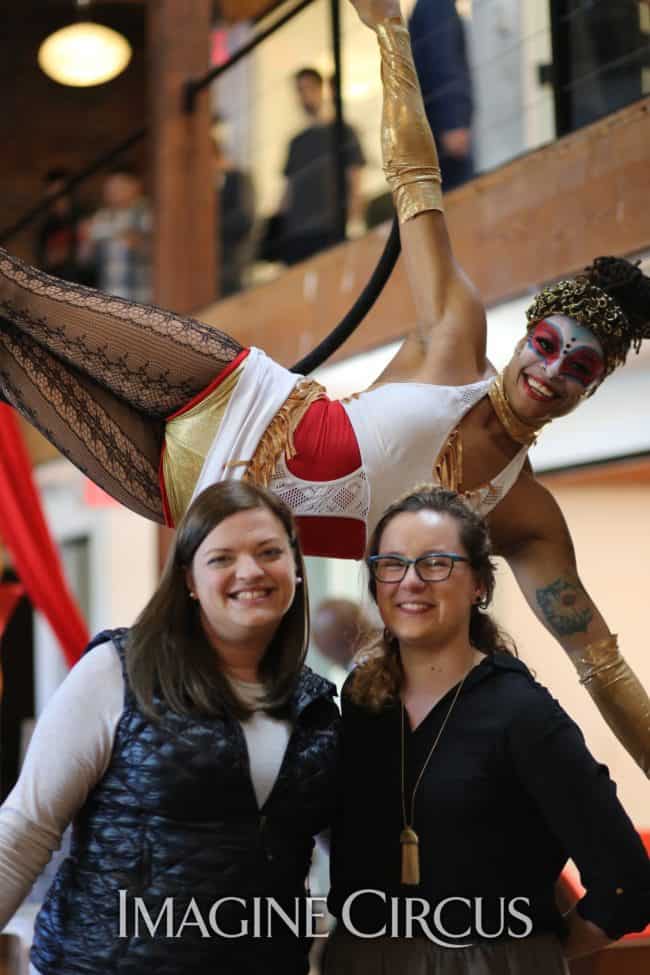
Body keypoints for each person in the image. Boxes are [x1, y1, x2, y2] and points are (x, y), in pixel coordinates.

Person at [0, 0, 648, 774]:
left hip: (190, 492)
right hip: (226, 390)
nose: (551, 371)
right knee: (21, 297)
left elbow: (601, 665)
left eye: (579, 367)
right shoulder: (455, 335)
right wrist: (392, 38)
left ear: (594, 385)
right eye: (547, 345)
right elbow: (416, 180)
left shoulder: (525, 515)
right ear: (526, 334)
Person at [0, 481, 340, 975]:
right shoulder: (119, 670)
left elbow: (353, 849)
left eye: (269, 551)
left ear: (295, 567)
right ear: (189, 579)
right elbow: (25, 830)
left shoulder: (317, 706)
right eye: (222, 558)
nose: (250, 571)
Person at [325, 485, 650, 972]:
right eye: (391, 564)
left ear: (479, 584)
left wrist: (532, 952)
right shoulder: (361, 699)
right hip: (360, 957)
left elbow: (626, 884)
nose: (410, 581)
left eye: (436, 563)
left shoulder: (521, 712)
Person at [276, 66, 366, 265]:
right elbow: (288, 190)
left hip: (331, 228)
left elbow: (355, 179)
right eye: (300, 90)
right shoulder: (295, 142)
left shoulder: (344, 131)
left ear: (321, 90)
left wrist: (354, 222)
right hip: (297, 234)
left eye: (309, 88)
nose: (305, 96)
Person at [409, 0, 474, 190]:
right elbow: (443, 64)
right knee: (458, 201)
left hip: (434, 130)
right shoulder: (436, 5)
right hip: (443, 132)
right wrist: (453, 122)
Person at [81, 165, 152, 302]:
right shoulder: (101, 217)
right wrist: (86, 243)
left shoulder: (146, 214)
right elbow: (85, 261)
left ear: (135, 186)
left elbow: (141, 243)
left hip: (142, 301)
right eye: (109, 187)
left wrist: (99, 231)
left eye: (118, 186)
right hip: (111, 301)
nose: (112, 191)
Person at [212, 133, 256, 297]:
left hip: (232, 267)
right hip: (219, 269)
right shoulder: (218, 185)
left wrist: (210, 227)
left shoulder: (238, 179)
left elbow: (243, 219)